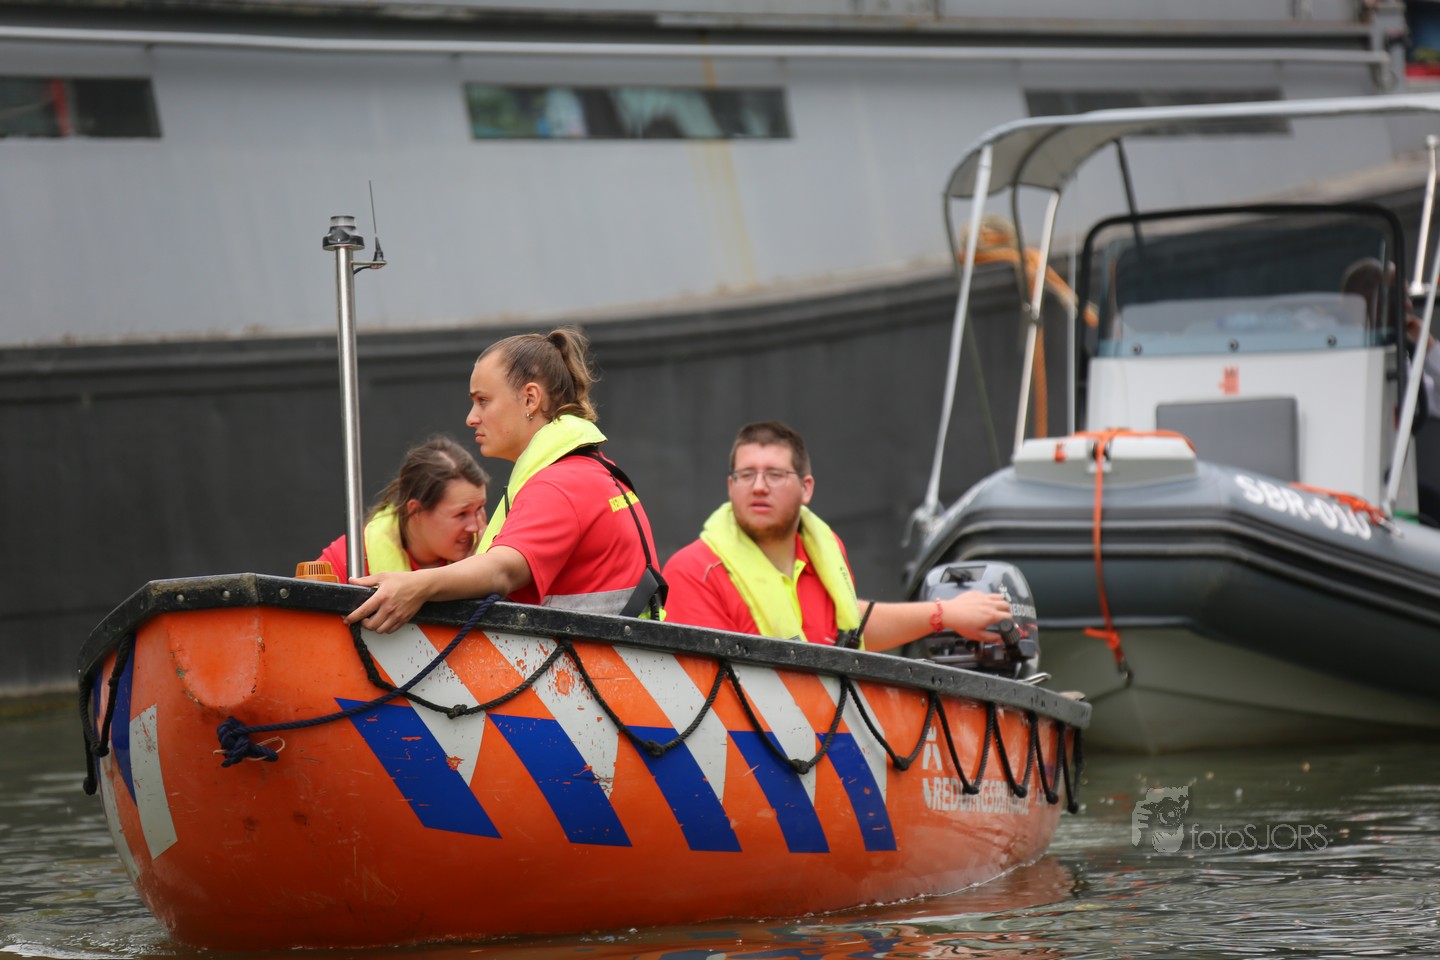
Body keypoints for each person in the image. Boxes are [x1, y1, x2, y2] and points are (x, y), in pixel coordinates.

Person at [346, 327, 663, 634]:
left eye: (483, 400)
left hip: (592, 666)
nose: (471, 417)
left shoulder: (557, 486)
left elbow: (503, 570)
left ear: (530, 399)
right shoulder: (591, 471)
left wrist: (417, 585)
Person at [662, 420, 1012, 652]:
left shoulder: (825, 552)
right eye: (746, 474)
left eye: (774, 475)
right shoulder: (693, 571)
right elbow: (707, 693)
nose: (758, 487)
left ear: (807, 488)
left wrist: (944, 613)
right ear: (730, 486)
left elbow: (848, 629)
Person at [315, 436, 490, 582]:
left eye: (479, 508)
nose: (475, 527)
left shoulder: (494, 557)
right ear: (416, 511)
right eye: (461, 514)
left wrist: (479, 575)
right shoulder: (349, 559)